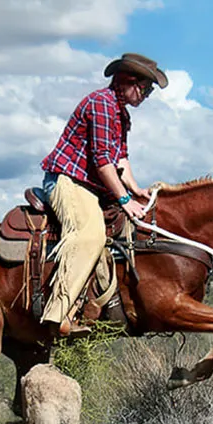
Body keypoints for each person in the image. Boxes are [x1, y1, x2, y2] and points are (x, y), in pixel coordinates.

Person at [38, 53, 168, 337]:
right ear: (128, 82)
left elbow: (121, 158)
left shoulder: (121, 113)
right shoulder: (101, 103)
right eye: (146, 88)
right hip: (68, 181)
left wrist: (136, 189)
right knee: (90, 234)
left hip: (92, 186)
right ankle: (58, 314)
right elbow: (102, 161)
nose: (147, 95)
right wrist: (124, 200)